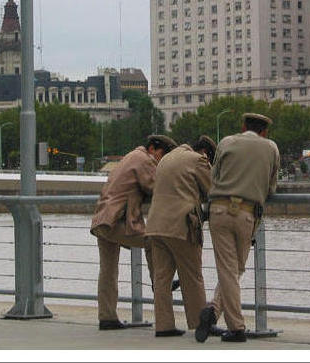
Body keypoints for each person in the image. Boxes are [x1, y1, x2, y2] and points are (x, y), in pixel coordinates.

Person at [196, 113, 280, 344]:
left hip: (219, 211)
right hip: (247, 214)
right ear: (264, 132)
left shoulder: (226, 142)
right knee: (236, 269)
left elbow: (214, 177)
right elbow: (272, 187)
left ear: (243, 127)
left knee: (228, 270)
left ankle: (213, 312)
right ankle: (236, 327)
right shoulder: (271, 148)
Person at [90, 134, 178, 330]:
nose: (161, 161)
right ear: (154, 149)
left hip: (102, 219)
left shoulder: (129, 157)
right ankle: (161, 283)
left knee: (108, 270)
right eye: (163, 156)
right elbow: (157, 187)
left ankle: (107, 317)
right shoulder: (143, 159)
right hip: (116, 221)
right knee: (153, 241)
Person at [145, 135, 215, 337]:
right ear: (205, 154)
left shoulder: (167, 158)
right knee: (192, 275)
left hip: (155, 225)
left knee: (161, 278)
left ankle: (164, 326)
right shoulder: (197, 160)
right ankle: (200, 324)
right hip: (181, 226)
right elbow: (212, 189)